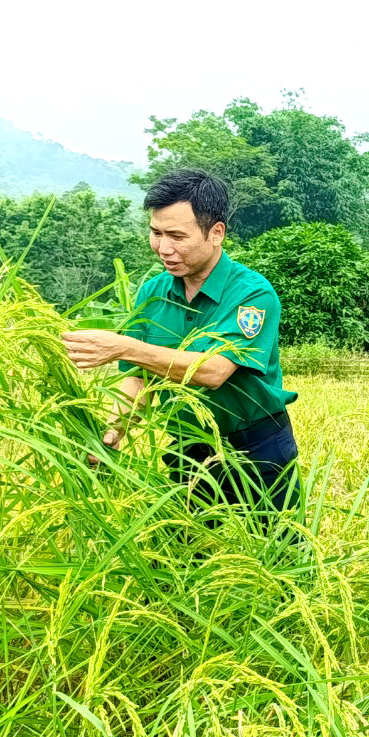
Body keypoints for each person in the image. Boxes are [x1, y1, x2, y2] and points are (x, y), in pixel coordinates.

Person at [62, 168, 301, 522]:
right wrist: (114, 432)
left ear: (216, 232)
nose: (163, 248)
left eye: (176, 236)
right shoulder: (152, 293)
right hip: (188, 450)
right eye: (155, 233)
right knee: (181, 557)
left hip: (257, 449)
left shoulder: (252, 294)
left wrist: (123, 346)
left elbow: (214, 370)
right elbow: (139, 379)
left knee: (276, 555)